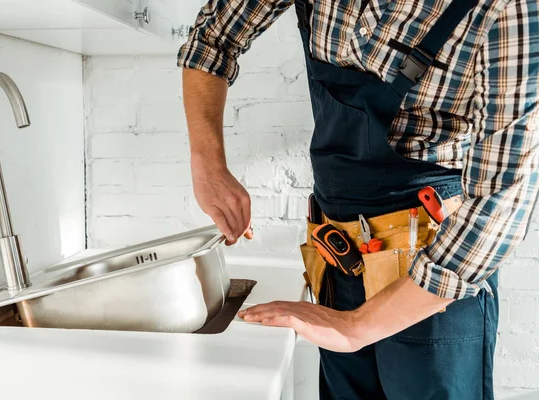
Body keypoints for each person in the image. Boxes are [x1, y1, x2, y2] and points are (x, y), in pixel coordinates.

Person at [177, 0, 539, 398]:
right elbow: (213, 38)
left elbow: (500, 207)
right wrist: (207, 164)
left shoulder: (509, 8)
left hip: (433, 278)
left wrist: (354, 328)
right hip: (338, 261)